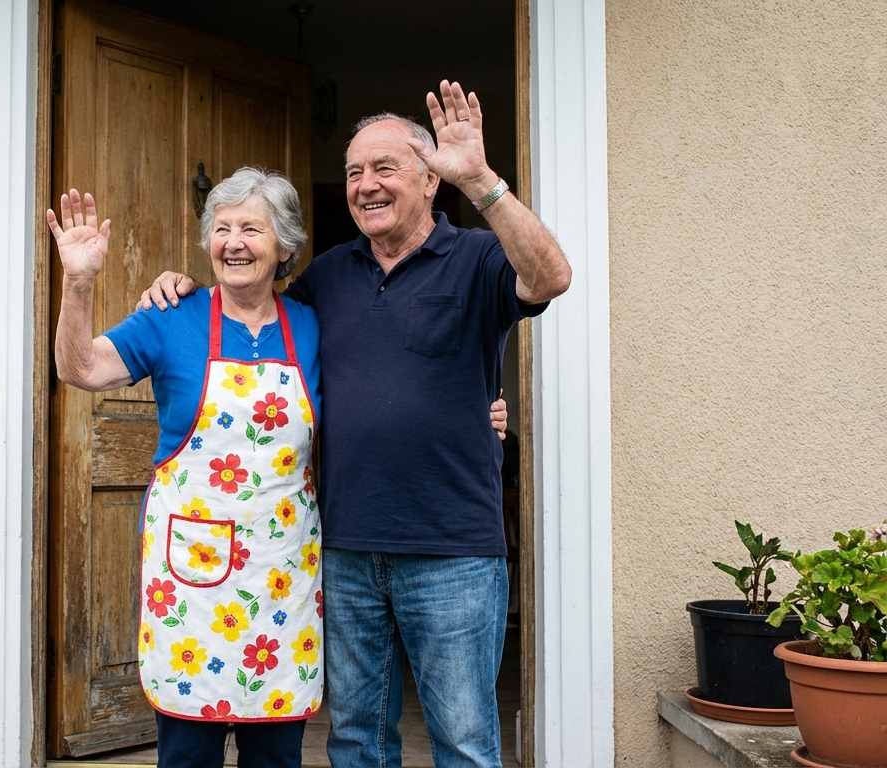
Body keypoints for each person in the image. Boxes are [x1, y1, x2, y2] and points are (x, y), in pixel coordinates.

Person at [137, 81, 571, 768]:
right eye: (353, 173)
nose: (365, 185)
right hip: (341, 552)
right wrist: (184, 288)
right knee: (356, 743)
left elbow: (550, 278)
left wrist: (483, 180)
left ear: (430, 180)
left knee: (464, 743)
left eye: (384, 169)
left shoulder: (480, 259)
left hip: (453, 551)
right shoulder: (327, 277)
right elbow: (253, 311)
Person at [51, 169, 323, 768]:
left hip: (281, 582)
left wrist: (479, 407)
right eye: (221, 228)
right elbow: (80, 368)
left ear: (284, 247)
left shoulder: (312, 322)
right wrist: (79, 283)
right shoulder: (172, 316)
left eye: (252, 228)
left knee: (276, 758)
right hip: (193, 591)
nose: (233, 242)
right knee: (187, 757)